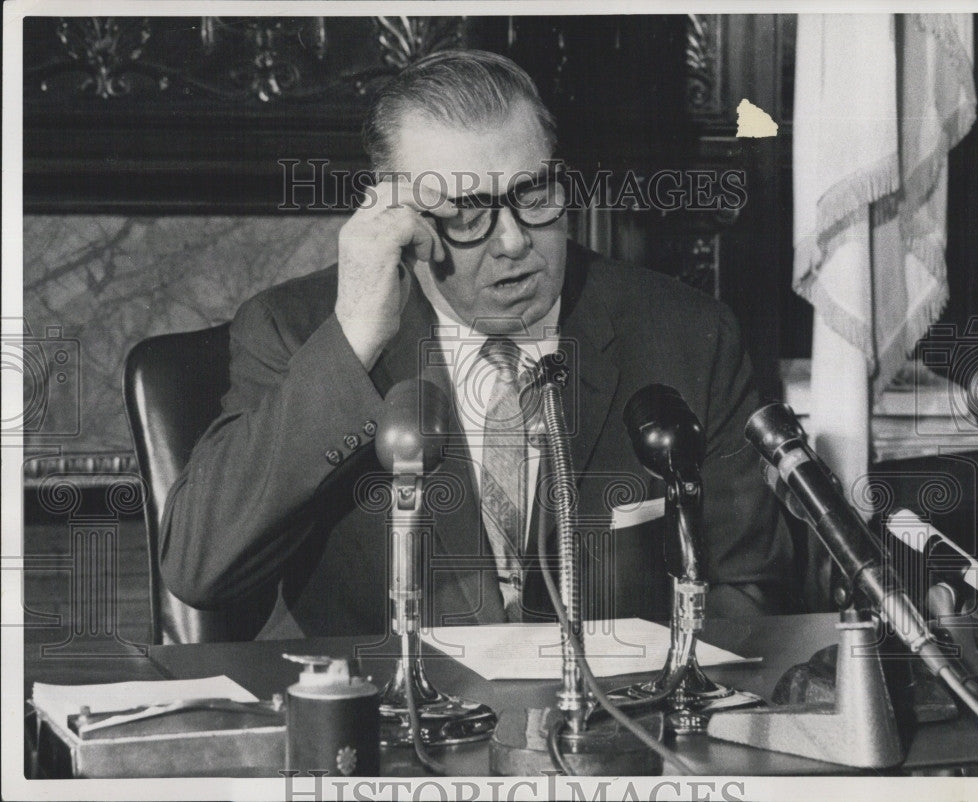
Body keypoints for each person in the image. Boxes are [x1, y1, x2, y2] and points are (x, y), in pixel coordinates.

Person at [160, 50, 795, 639]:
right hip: (394, 735)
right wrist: (354, 339)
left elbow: (749, 589)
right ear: (397, 219)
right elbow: (200, 572)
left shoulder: (685, 332)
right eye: (467, 213)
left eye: (533, 194)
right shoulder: (295, 331)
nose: (515, 241)